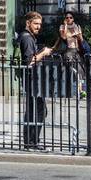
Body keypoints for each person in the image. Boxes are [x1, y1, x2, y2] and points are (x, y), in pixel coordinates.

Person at [18, 12, 53, 148]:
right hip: (32, 79)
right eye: (35, 24)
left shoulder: (27, 37)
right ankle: (31, 141)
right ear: (28, 23)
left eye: (40, 24)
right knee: (38, 111)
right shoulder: (27, 38)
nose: (38, 27)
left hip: (33, 79)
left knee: (35, 110)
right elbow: (29, 61)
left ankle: (31, 141)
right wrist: (43, 53)